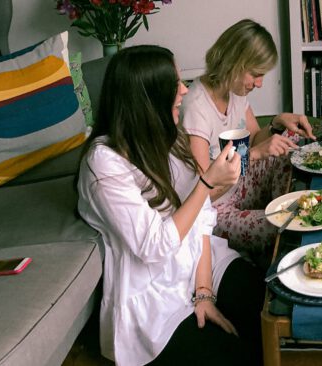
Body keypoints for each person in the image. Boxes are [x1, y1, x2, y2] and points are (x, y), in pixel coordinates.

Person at [77, 45, 264, 365]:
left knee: (265, 309)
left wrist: (204, 292)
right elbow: (153, 246)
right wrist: (208, 184)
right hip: (155, 292)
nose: (184, 90)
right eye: (174, 83)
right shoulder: (103, 163)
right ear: (147, 97)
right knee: (237, 358)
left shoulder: (168, 137)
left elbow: (202, 219)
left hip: (202, 261)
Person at [181, 19, 316, 265]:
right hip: (215, 209)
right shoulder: (196, 107)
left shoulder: (235, 92)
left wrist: (277, 124)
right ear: (234, 63)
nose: (259, 83)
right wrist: (252, 156)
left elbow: (254, 138)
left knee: (290, 140)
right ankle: (278, 230)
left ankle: (281, 207)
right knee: (282, 224)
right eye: (255, 74)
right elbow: (201, 194)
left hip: (241, 186)